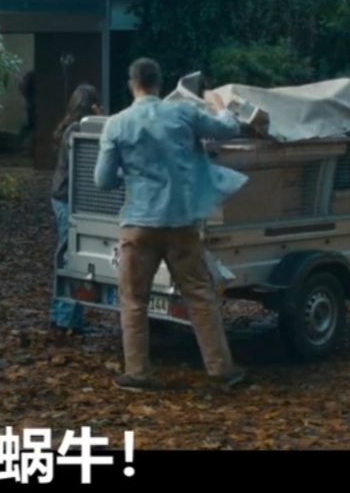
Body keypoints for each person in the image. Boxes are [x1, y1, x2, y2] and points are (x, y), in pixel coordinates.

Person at [93, 58, 248, 392]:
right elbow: (229, 129)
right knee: (200, 295)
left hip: (139, 223)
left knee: (134, 300)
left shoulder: (117, 124)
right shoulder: (183, 113)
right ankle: (221, 370)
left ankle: (138, 373)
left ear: (132, 84)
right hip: (182, 222)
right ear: (159, 83)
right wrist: (221, 106)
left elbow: (102, 180)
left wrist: (130, 174)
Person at [49, 83, 101, 333]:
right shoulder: (77, 130)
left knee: (69, 254)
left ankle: (65, 316)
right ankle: (65, 319)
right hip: (66, 197)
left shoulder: (70, 127)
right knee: (71, 257)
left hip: (63, 196)